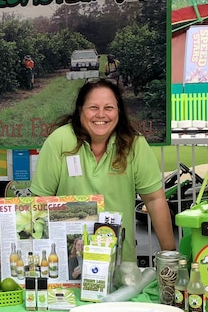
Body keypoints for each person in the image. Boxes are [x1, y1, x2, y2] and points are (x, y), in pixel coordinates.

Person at [30, 79, 176, 265]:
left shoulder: (135, 145)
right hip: (68, 261)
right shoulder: (59, 141)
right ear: (80, 109)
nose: (101, 115)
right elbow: (38, 203)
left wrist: (170, 257)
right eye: (93, 107)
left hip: (121, 262)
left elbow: (155, 200)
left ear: (119, 111)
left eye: (109, 107)